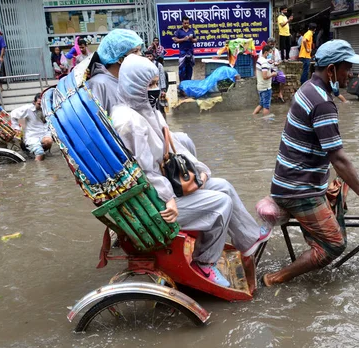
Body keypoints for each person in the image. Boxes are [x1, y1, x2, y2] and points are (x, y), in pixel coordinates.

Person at [110, 54, 272, 287]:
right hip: (157, 202)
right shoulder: (129, 122)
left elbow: (174, 150)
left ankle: (247, 239)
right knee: (221, 204)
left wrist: (200, 171)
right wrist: (168, 199)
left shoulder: (148, 110)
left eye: (157, 83)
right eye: (150, 85)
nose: (156, 90)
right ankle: (205, 263)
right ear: (135, 86)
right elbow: (146, 172)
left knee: (223, 185)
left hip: (167, 184)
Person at [262, 40, 359, 287]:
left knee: (339, 192)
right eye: (346, 68)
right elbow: (337, 157)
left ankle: (311, 252)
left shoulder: (308, 89)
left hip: (291, 180)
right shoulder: (322, 102)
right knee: (334, 244)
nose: (349, 74)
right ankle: (274, 278)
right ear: (331, 70)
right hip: (299, 189)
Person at [86, 29, 197, 156]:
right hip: (127, 145)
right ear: (119, 58)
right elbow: (98, 127)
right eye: (135, 52)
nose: (140, 55)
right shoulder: (100, 84)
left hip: (146, 134)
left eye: (140, 50)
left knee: (184, 141)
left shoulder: (132, 78)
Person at [10, 94, 53, 161]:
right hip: (32, 136)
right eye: (39, 104)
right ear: (34, 102)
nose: (41, 106)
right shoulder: (28, 109)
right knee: (40, 152)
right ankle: (38, 166)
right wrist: (16, 127)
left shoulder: (48, 108)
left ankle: (36, 152)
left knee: (49, 141)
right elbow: (13, 114)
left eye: (43, 104)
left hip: (45, 134)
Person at [260, 37, 287, 103]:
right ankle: (269, 96)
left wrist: (277, 63)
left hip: (275, 69)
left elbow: (279, 60)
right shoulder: (262, 51)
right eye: (270, 44)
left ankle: (280, 94)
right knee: (268, 80)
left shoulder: (276, 51)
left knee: (283, 77)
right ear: (267, 44)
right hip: (266, 70)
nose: (272, 45)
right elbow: (261, 61)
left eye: (273, 44)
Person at [172, 16, 197, 83]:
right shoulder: (179, 31)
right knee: (182, 69)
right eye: (185, 23)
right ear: (182, 23)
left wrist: (191, 39)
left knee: (189, 69)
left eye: (188, 23)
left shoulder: (191, 31)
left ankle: (188, 83)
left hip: (190, 53)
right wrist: (183, 39)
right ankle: (182, 84)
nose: (186, 24)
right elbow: (175, 40)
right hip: (183, 53)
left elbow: (196, 40)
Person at [253, 45, 276, 117]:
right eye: (270, 52)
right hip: (265, 87)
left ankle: (253, 116)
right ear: (266, 52)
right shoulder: (264, 63)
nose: (271, 54)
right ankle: (266, 123)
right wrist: (273, 74)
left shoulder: (259, 60)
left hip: (260, 86)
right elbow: (265, 76)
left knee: (261, 104)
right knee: (266, 106)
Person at [145, 50, 168, 118]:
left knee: (161, 107)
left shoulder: (158, 65)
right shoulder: (143, 65)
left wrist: (163, 90)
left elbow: (162, 77)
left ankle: (164, 122)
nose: (149, 58)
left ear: (153, 56)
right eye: (147, 56)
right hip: (148, 89)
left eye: (150, 56)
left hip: (158, 88)